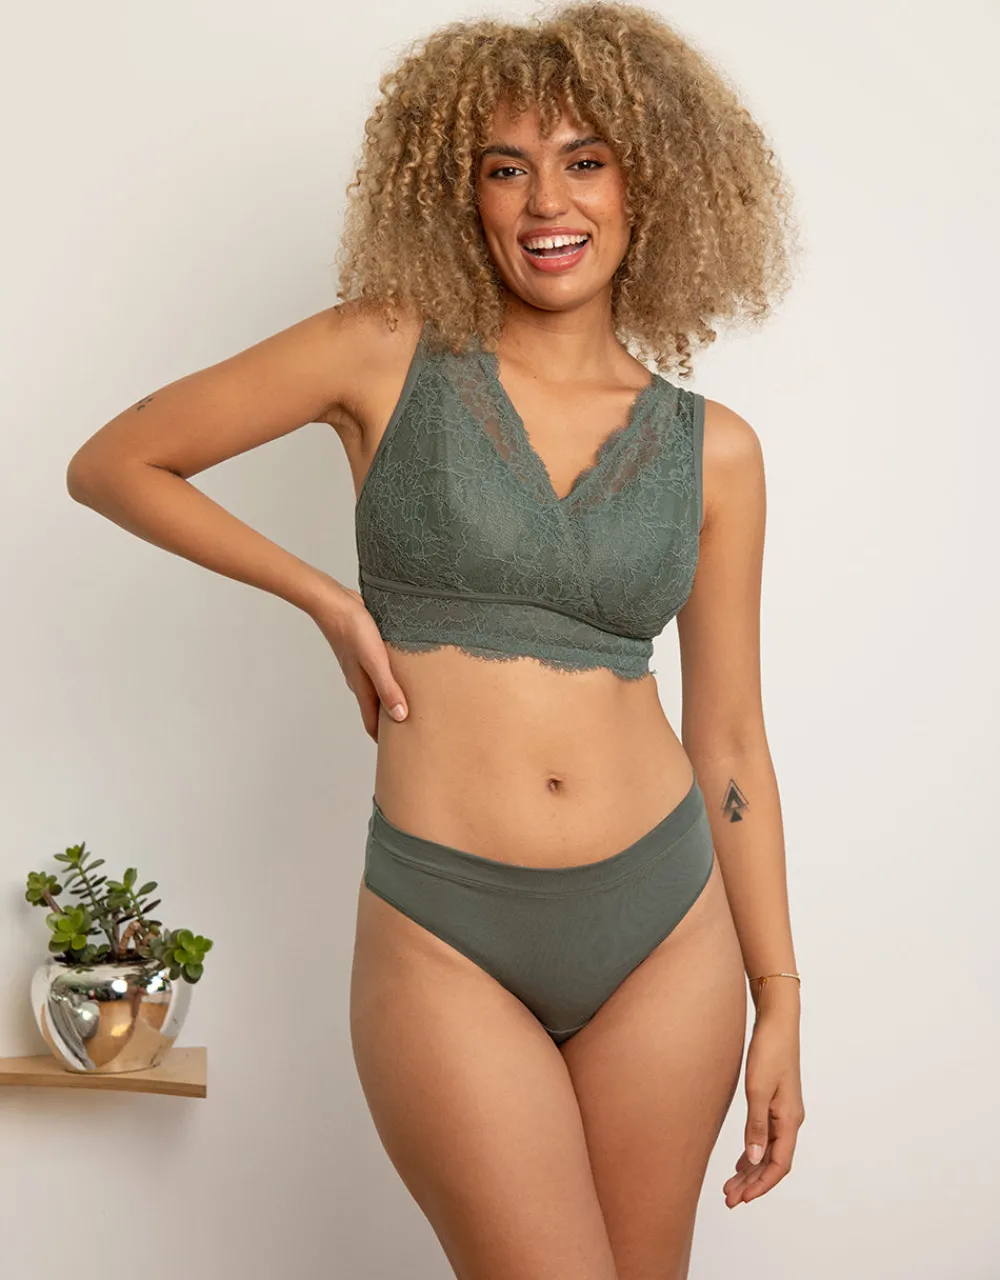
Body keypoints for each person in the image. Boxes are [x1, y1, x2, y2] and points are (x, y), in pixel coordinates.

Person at [66, 3, 805, 1276]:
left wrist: (779, 992)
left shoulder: (715, 450)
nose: (544, 201)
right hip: (446, 924)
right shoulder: (383, 351)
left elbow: (730, 739)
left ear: (649, 182)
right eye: (504, 168)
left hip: (668, 925)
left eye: (583, 160)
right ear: (460, 195)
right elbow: (116, 461)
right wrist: (325, 596)